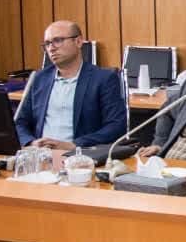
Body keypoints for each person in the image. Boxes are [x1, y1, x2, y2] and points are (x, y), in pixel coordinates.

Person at [15, 20, 126, 150]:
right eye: (47, 43)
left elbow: (116, 126)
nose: (51, 48)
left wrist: (74, 145)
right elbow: (19, 121)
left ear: (78, 42)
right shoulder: (38, 78)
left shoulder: (103, 78)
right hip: (40, 154)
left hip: (80, 154)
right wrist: (31, 143)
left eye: (58, 40)